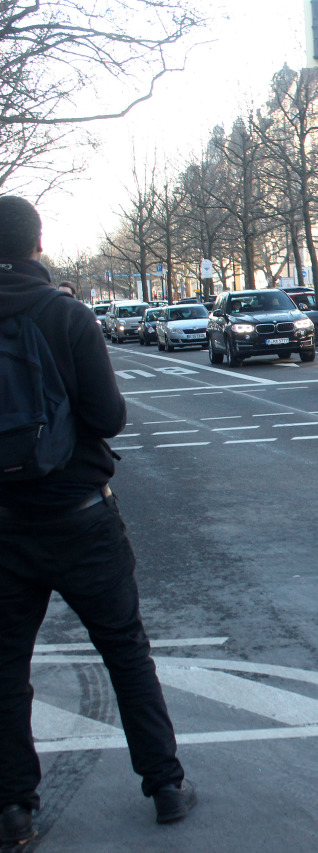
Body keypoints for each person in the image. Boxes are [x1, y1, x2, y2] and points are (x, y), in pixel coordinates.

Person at [0, 196, 196, 847]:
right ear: (37, 243)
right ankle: (165, 784)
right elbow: (109, 416)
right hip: (82, 516)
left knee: (5, 669)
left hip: (4, 527)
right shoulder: (68, 316)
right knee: (124, 649)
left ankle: (13, 808)